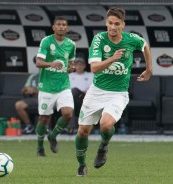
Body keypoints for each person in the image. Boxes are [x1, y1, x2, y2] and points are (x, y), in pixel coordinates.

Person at [75, 7, 152, 176]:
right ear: (106, 23)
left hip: (118, 93)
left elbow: (145, 45)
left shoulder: (131, 39)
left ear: (123, 25)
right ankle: (81, 165)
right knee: (82, 131)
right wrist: (112, 58)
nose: (113, 27)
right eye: (110, 23)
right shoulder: (99, 39)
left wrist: (149, 69)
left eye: (117, 24)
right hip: (96, 91)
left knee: (106, 124)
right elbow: (94, 68)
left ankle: (103, 147)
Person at [35, 16, 76, 156]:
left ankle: (53, 136)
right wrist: (51, 64)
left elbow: (71, 63)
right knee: (44, 118)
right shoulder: (46, 41)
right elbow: (39, 62)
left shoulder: (71, 44)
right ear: (53, 27)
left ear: (67, 28)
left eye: (64, 25)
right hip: (46, 86)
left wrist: (71, 68)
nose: (61, 27)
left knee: (68, 114)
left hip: (63, 85)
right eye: (58, 24)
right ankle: (40, 146)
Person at [67, 57, 93, 134]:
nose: (79, 67)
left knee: (74, 91)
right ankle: (71, 128)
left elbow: (93, 87)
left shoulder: (90, 75)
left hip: (85, 97)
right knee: (70, 101)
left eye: (81, 65)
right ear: (74, 66)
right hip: (72, 99)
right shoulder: (70, 76)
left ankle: (72, 128)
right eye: (77, 65)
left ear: (84, 66)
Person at [15, 57, 39, 134]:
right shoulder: (33, 76)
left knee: (48, 103)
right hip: (34, 99)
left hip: (46, 98)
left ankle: (46, 127)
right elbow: (24, 89)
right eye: (37, 62)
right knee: (19, 105)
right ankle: (29, 126)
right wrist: (26, 90)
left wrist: (34, 90)